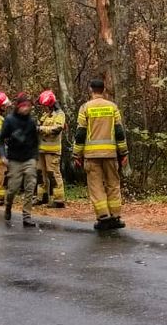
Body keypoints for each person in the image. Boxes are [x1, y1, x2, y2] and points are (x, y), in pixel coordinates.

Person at [74, 77, 128, 231]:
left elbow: (80, 133)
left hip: (91, 156)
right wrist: (123, 152)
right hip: (111, 154)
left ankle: (103, 217)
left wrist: (77, 154)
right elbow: (119, 132)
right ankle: (116, 217)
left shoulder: (85, 108)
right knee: (113, 184)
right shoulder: (112, 107)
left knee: (96, 186)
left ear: (91, 90)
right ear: (104, 90)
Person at [0, 92, 40, 226]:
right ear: (18, 107)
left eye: (28, 106)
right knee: (13, 189)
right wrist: (3, 155)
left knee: (30, 185)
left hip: (29, 158)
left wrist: (35, 157)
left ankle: (26, 216)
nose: (26, 108)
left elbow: (35, 141)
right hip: (15, 159)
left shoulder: (31, 122)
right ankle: (8, 205)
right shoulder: (10, 120)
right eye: (24, 106)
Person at [36, 89, 67, 206]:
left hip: (52, 151)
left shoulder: (59, 114)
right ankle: (41, 197)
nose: (43, 108)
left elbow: (57, 129)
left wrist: (40, 129)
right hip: (41, 150)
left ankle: (58, 200)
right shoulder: (45, 115)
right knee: (40, 174)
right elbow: (39, 126)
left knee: (53, 175)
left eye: (45, 106)